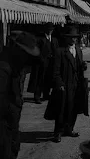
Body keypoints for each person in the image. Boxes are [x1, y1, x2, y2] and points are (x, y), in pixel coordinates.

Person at [0, 31, 40, 159]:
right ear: (18, 51)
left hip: (11, 124)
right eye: (26, 54)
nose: (27, 60)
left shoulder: (14, 65)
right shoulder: (4, 68)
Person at [44, 26, 88, 143]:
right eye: (71, 37)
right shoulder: (60, 51)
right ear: (66, 38)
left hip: (76, 84)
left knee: (74, 108)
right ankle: (57, 132)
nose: (74, 40)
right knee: (61, 109)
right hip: (65, 84)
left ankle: (69, 129)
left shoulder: (78, 50)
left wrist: (83, 66)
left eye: (75, 37)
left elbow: (79, 67)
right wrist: (59, 83)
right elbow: (55, 70)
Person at [28, 23, 59, 104]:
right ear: (46, 30)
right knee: (40, 79)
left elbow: (57, 51)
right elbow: (36, 51)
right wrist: (41, 59)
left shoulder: (55, 40)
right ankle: (37, 96)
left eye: (51, 30)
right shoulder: (40, 39)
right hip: (41, 63)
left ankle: (46, 95)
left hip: (51, 63)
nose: (50, 31)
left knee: (48, 79)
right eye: (48, 30)